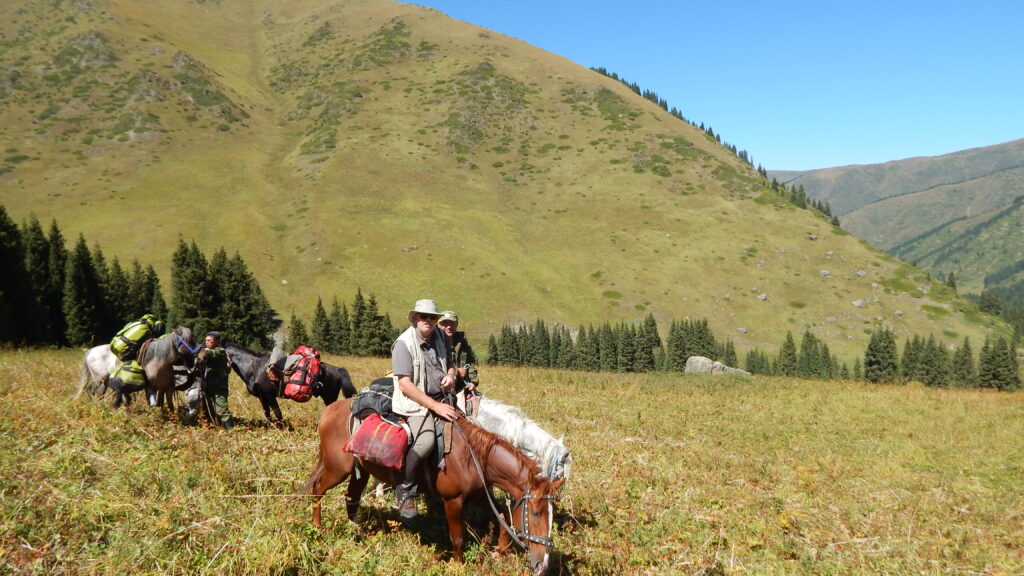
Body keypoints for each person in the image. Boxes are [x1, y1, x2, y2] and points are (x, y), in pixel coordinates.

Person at [391, 299, 459, 518]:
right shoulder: (403, 344)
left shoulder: (440, 336)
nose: (428, 321)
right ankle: (406, 489)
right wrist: (434, 406)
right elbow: (405, 384)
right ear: (414, 319)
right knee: (426, 440)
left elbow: (450, 362)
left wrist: (450, 375)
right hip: (415, 404)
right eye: (423, 317)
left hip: (443, 398)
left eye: (432, 317)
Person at [438, 310, 481, 416]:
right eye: (445, 323)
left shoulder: (462, 342)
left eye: (452, 323)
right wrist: (457, 372)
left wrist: (473, 381)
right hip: (443, 387)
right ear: (437, 324)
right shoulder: (434, 342)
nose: (449, 326)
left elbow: (470, 364)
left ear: (457, 324)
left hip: (462, 385)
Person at [197, 330, 234, 430]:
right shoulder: (205, 351)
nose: (207, 342)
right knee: (205, 408)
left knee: (221, 410)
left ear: (217, 341)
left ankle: (231, 430)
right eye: (206, 340)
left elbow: (210, 353)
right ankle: (212, 427)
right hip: (207, 385)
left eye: (210, 340)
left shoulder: (220, 351)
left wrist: (195, 348)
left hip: (219, 387)